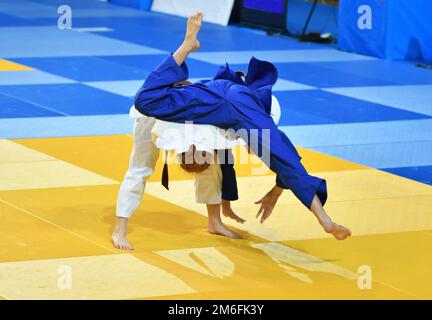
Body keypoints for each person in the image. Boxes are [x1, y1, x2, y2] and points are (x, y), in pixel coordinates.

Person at [133, 12, 352, 240]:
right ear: (208, 156)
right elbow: (231, 168)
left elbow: (280, 159)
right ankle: (325, 221)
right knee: (281, 157)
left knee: (282, 157)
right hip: (226, 95)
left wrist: (274, 191)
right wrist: (239, 202)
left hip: (233, 101)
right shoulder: (208, 139)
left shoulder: (186, 135)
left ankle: (187, 44)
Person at [113, 104, 248, 250]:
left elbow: (227, 166)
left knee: (213, 166)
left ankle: (214, 222)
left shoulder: (216, 133)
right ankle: (119, 230)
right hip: (152, 110)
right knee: (139, 169)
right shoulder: (158, 126)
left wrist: (226, 204)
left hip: (196, 110)